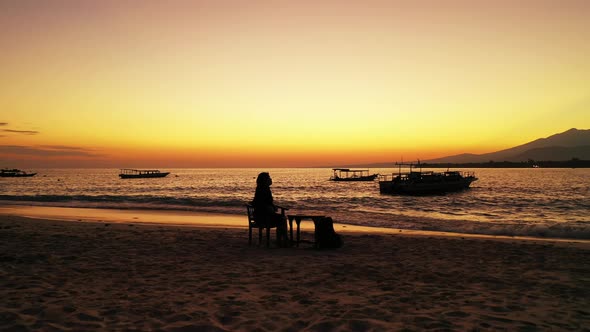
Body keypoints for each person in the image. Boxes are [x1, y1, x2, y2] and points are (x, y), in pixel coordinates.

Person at [252, 172, 290, 247]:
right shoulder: (263, 190)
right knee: (282, 219)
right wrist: (271, 207)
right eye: (269, 178)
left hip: (262, 215)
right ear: (265, 180)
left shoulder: (262, 189)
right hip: (263, 217)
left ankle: (282, 240)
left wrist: (272, 206)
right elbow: (263, 204)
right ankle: (282, 240)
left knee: (282, 219)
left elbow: (265, 202)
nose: (271, 179)